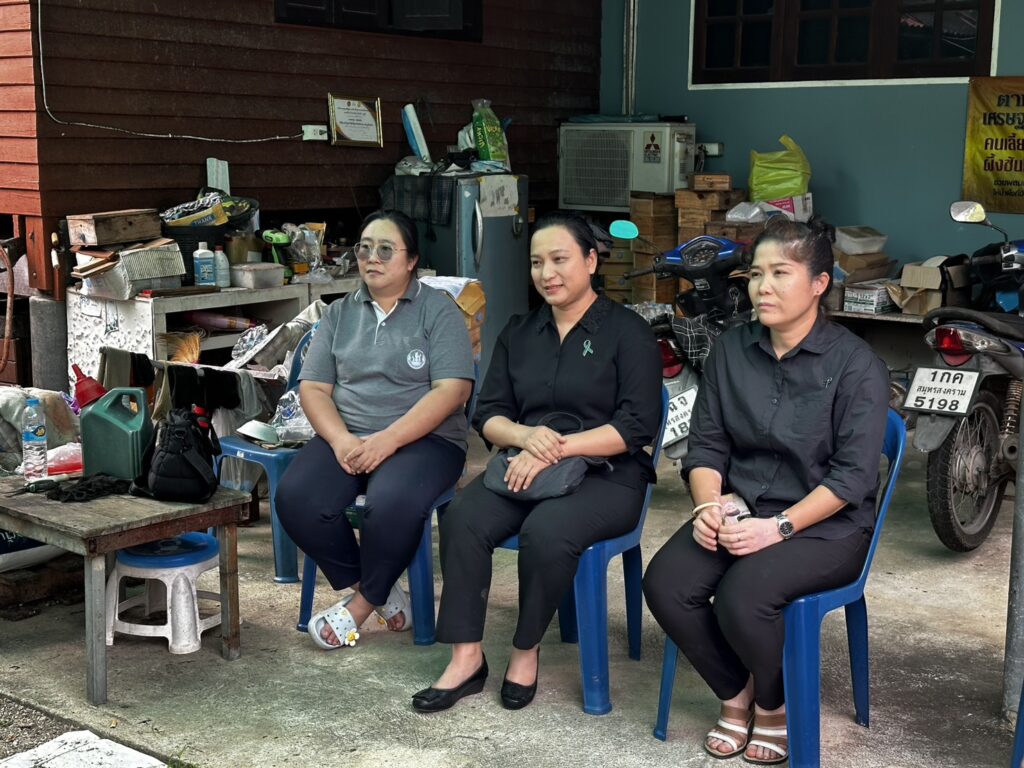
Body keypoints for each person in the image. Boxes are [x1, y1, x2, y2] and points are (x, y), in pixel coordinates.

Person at [642, 217, 889, 765]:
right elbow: (707, 446)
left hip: (827, 524)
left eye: (781, 273)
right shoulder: (731, 351)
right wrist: (708, 506)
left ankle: (774, 707)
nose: (763, 287)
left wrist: (777, 528)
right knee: (666, 583)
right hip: (742, 506)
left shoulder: (856, 366)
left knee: (743, 597)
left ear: (819, 284)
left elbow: (851, 478)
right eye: (756, 274)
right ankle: (736, 693)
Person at [411, 211, 662, 713]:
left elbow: (635, 427)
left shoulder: (628, 333)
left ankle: (526, 649)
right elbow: (488, 415)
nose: (547, 273)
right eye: (536, 262)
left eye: (560, 259)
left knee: (547, 531)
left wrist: (555, 449)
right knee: (463, 517)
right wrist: (526, 437)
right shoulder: (519, 332)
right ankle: (466, 658)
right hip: (525, 462)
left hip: (608, 472)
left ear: (590, 262)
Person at [276, 210, 474, 649]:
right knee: (296, 498)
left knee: (391, 504)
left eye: (386, 249)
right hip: (350, 435)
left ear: (411, 260)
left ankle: (362, 605)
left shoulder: (438, 312)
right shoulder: (339, 314)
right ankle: (378, 586)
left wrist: (388, 440)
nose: (372, 258)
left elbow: (452, 391)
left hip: (427, 440)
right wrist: (340, 439)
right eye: (364, 248)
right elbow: (314, 389)